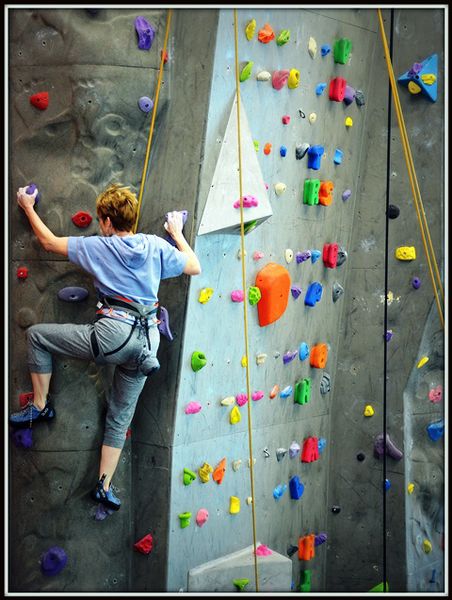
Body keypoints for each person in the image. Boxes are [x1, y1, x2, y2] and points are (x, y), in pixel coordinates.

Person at [10, 183, 201, 511]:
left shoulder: (100, 246)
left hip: (113, 335)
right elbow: (193, 266)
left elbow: (48, 242)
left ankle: (40, 405)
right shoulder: (155, 246)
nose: (100, 225)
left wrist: (28, 207)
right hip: (147, 343)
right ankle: (104, 485)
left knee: (38, 336)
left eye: (102, 220)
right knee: (121, 414)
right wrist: (176, 232)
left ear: (110, 222)